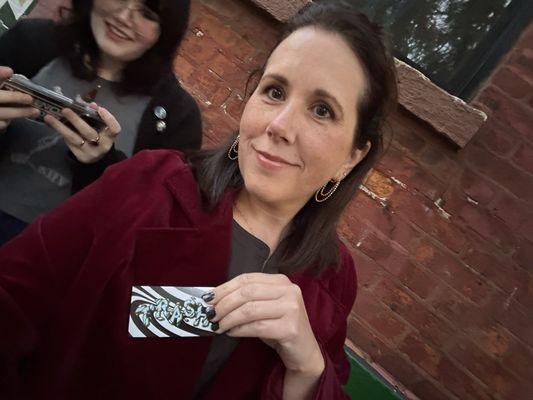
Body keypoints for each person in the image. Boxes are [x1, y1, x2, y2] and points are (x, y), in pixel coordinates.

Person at [0, 3, 397, 399]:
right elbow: (13, 299)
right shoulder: (150, 184)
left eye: (322, 110)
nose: (279, 126)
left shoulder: (334, 276)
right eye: (274, 91)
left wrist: (308, 372)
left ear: (352, 156)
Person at [0, 0, 202, 244]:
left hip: (53, 259)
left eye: (147, 13)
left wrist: (99, 165)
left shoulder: (177, 115)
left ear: (165, 31)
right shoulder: (30, 40)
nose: (124, 17)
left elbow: (147, 225)